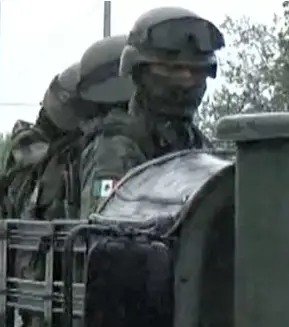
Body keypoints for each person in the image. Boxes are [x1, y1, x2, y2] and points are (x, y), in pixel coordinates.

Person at [77, 7, 221, 217]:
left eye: (197, 72)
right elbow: (105, 235)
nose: (187, 79)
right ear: (139, 72)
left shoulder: (199, 146)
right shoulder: (117, 148)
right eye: (173, 70)